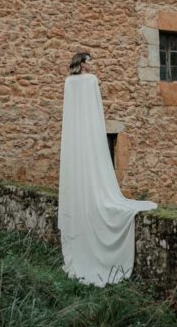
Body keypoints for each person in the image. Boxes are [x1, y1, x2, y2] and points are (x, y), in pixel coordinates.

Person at [57, 52, 157, 286]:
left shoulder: (69, 83)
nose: (91, 64)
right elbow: (95, 112)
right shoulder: (91, 81)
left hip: (75, 140)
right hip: (88, 135)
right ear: (82, 64)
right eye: (89, 61)